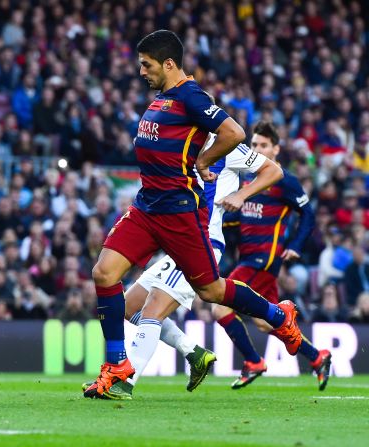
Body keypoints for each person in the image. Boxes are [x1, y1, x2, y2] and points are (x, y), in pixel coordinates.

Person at [83, 30, 302, 400]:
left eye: (146, 64)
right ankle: (117, 364)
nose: (141, 71)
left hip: (180, 212)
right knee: (103, 272)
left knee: (212, 290)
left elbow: (233, 132)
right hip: (146, 206)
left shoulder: (190, 96)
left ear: (169, 63)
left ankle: (280, 318)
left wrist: (204, 160)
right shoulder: (163, 99)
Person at [91, 129, 283, 397]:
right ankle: (193, 353)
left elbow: (272, 171)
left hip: (202, 242)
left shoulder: (227, 147)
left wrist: (241, 195)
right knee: (129, 304)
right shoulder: (176, 144)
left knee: (153, 310)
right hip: (175, 238)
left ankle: (123, 384)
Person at [213, 121, 331, 391]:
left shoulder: (283, 180)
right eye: (254, 145)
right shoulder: (246, 180)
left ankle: (254, 361)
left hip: (263, 259)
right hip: (250, 258)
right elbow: (241, 220)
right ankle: (317, 357)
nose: (258, 149)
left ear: (276, 149)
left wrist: (297, 245)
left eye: (264, 145)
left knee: (219, 305)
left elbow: (308, 214)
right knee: (267, 323)